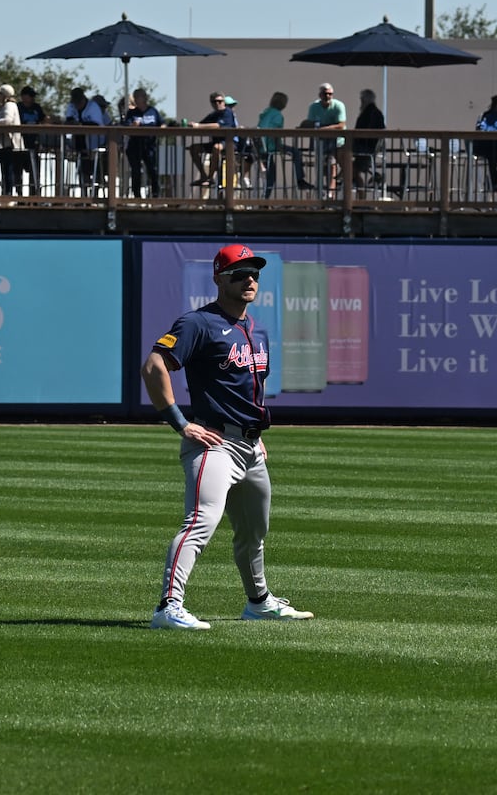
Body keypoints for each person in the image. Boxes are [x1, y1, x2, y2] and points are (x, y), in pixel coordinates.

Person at [141, 243, 313, 630]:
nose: (249, 279)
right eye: (239, 273)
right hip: (214, 444)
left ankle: (259, 602)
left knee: (254, 533)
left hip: (250, 447)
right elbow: (154, 366)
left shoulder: (255, 330)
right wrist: (180, 422)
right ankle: (168, 606)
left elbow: (251, 388)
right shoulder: (197, 324)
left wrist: (255, 432)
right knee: (200, 523)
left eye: (253, 273)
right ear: (220, 278)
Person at [256, 90, 307, 197]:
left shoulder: (266, 112)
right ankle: (300, 180)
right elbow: (275, 133)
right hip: (271, 146)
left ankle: (264, 199)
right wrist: (279, 146)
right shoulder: (278, 115)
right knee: (295, 152)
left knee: (271, 176)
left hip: (261, 146)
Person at [301, 83, 347, 195]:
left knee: (332, 164)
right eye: (325, 94)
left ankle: (331, 193)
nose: (328, 96)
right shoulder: (314, 107)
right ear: (320, 95)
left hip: (336, 141)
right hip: (320, 141)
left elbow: (341, 125)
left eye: (330, 94)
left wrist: (322, 128)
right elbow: (311, 123)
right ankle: (320, 193)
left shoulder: (339, 105)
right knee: (320, 167)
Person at [64, 87, 108, 193]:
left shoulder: (93, 107)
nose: (77, 105)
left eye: (79, 102)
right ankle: (84, 195)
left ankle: (95, 195)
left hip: (94, 144)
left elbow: (96, 124)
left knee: (96, 170)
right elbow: (68, 121)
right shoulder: (71, 106)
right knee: (82, 170)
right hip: (79, 142)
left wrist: (80, 124)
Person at [190, 91, 237, 190]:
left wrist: (198, 126)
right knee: (194, 148)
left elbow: (218, 126)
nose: (217, 104)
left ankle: (211, 178)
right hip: (215, 142)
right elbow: (201, 124)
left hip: (229, 143)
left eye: (220, 101)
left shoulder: (228, 112)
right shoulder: (213, 115)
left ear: (224, 102)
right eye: (214, 102)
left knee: (216, 148)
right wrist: (191, 125)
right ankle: (203, 176)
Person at [120, 87, 162, 199]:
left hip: (149, 146)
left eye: (140, 97)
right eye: (136, 97)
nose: (138, 99)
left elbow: (161, 123)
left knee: (152, 170)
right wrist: (133, 125)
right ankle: (137, 195)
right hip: (135, 146)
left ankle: (155, 194)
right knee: (136, 171)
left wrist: (162, 128)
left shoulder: (153, 111)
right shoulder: (131, 113)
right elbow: (126, 126)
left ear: (145, 98)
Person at [0, 84, 25, 196]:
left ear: (3, 95)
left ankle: (8, 195)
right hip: (6, 142)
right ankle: (7, 193)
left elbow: (8, 120)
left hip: (8, 143)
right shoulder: (8, 105)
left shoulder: (9, 105)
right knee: (7, 170)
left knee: (8, 170)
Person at [351, 88, 386, 194]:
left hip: (365, 149)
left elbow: (363, 133)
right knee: (350, 167)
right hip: (367, 149)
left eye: (362, 99)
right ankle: (343, 174)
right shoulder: (374, 112)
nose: (360, 102)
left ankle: (341, 175)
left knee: (342, 153)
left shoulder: (370, 113)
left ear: (365, 100)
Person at [16, 86, 48, 196]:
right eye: (30, 96)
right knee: (18, 171)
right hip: (20, 144)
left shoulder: (36, 108)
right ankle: (19, 195)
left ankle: (34, 195)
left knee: (35, 171)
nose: (32, 98)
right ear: (23, 96)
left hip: (34, 144)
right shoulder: (18, 107)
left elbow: (43, 119)